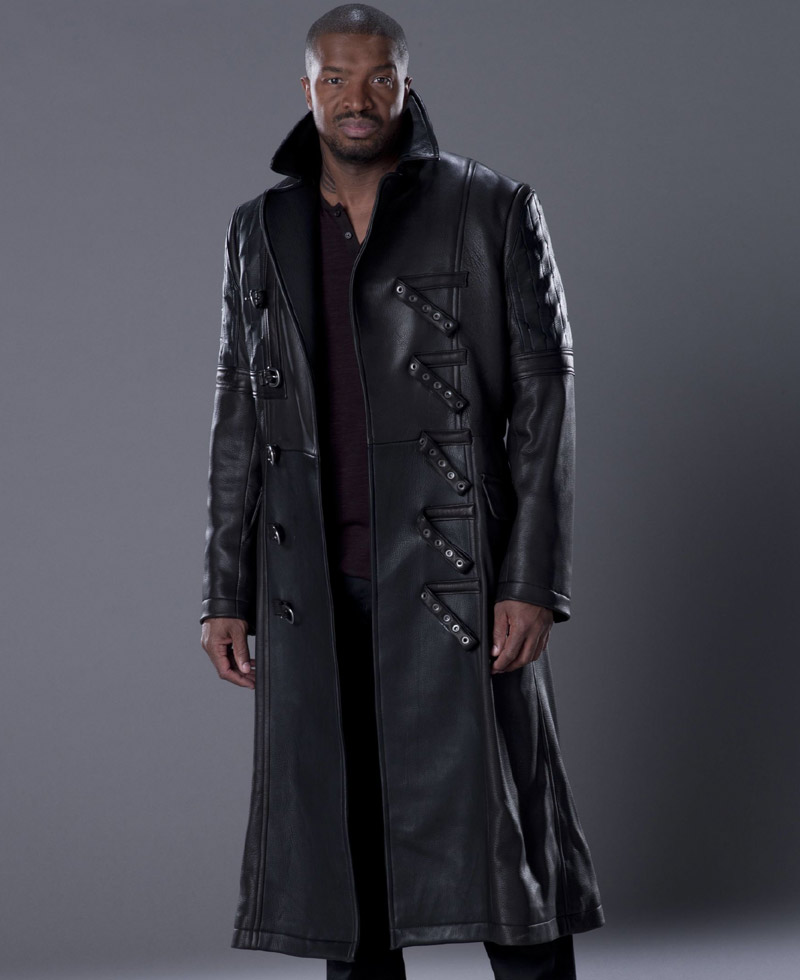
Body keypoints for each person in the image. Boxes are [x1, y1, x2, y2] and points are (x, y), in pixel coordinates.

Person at [200, 5, 604, 978]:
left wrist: (530, 579)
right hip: (313, 589)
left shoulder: (491, 207)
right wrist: (224, 588)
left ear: (405, 85)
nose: (357, 98)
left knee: (508, 860)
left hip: (460, 582)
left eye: (377, 76)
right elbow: (238, 412)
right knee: (349, 872)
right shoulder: (261, 227)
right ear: (306, 89)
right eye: (336, 78)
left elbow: (545, 399)